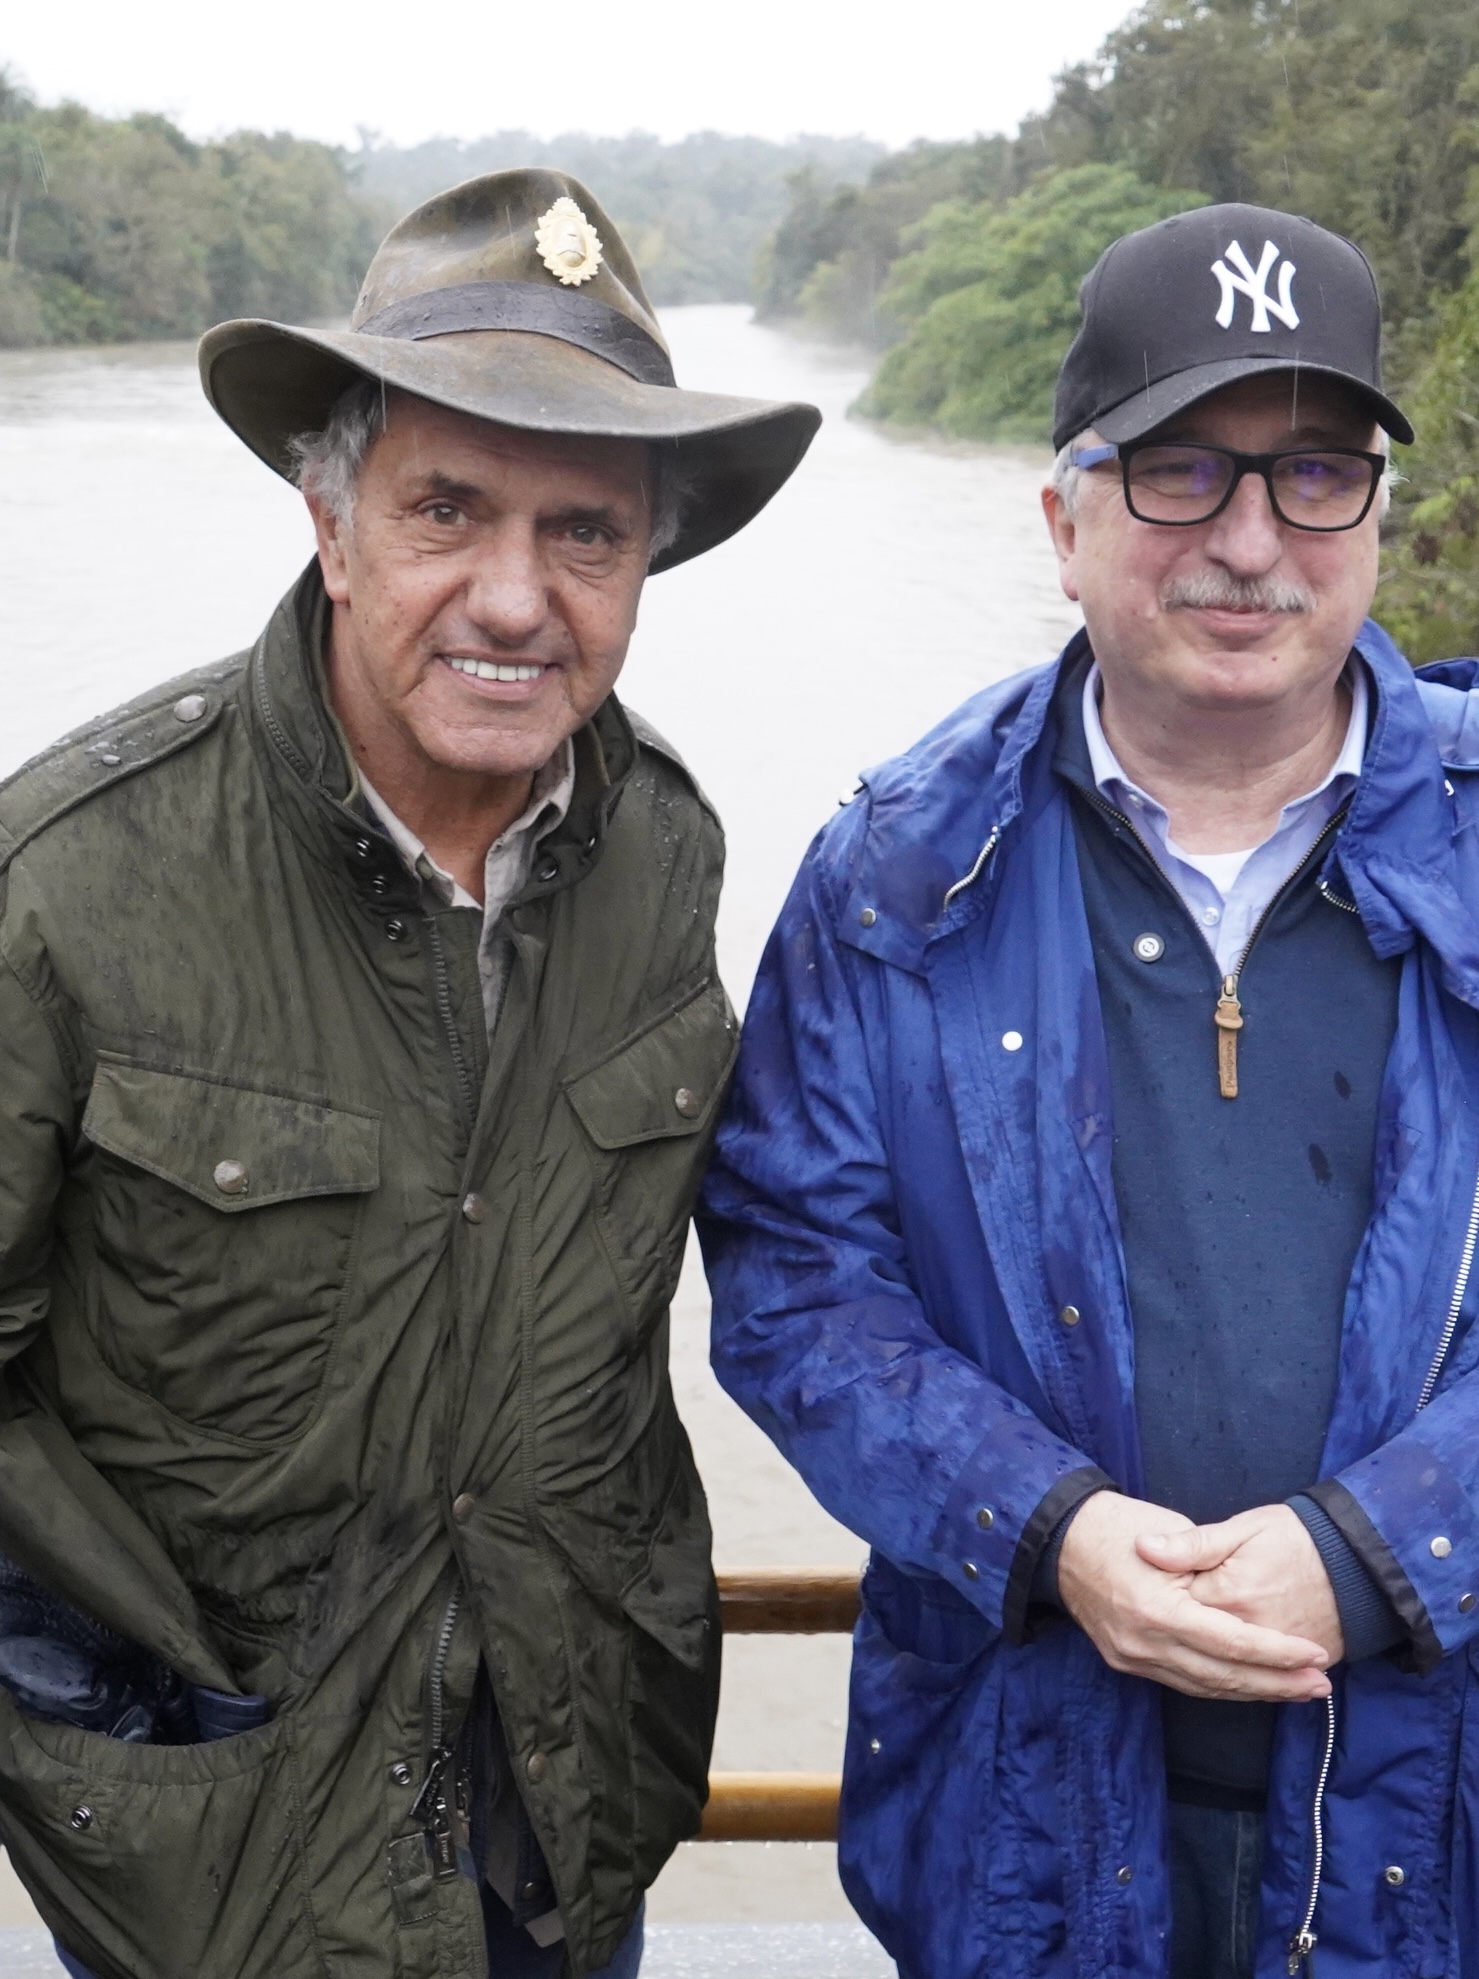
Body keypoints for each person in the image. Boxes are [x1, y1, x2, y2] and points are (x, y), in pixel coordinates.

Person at [701, 201, 1479, 1979]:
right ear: (1063, 520)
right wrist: (1045, 1530)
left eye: (1311, 475)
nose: (1249, 543)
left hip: (1450, 1823)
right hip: (1020, 1808)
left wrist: (1377, 1552)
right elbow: (794, 1283)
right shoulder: (899, 869)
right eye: (1181, 475)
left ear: (1375, 515)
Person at [0, 169, 817, 1979]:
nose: (516, 598)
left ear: (646, 563)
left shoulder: (660, 848)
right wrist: (119, 1706)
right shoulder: (67, 878)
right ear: (331, 520)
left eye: (586, 531)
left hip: (559, 1812)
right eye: (448, 506)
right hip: (219, 1876)